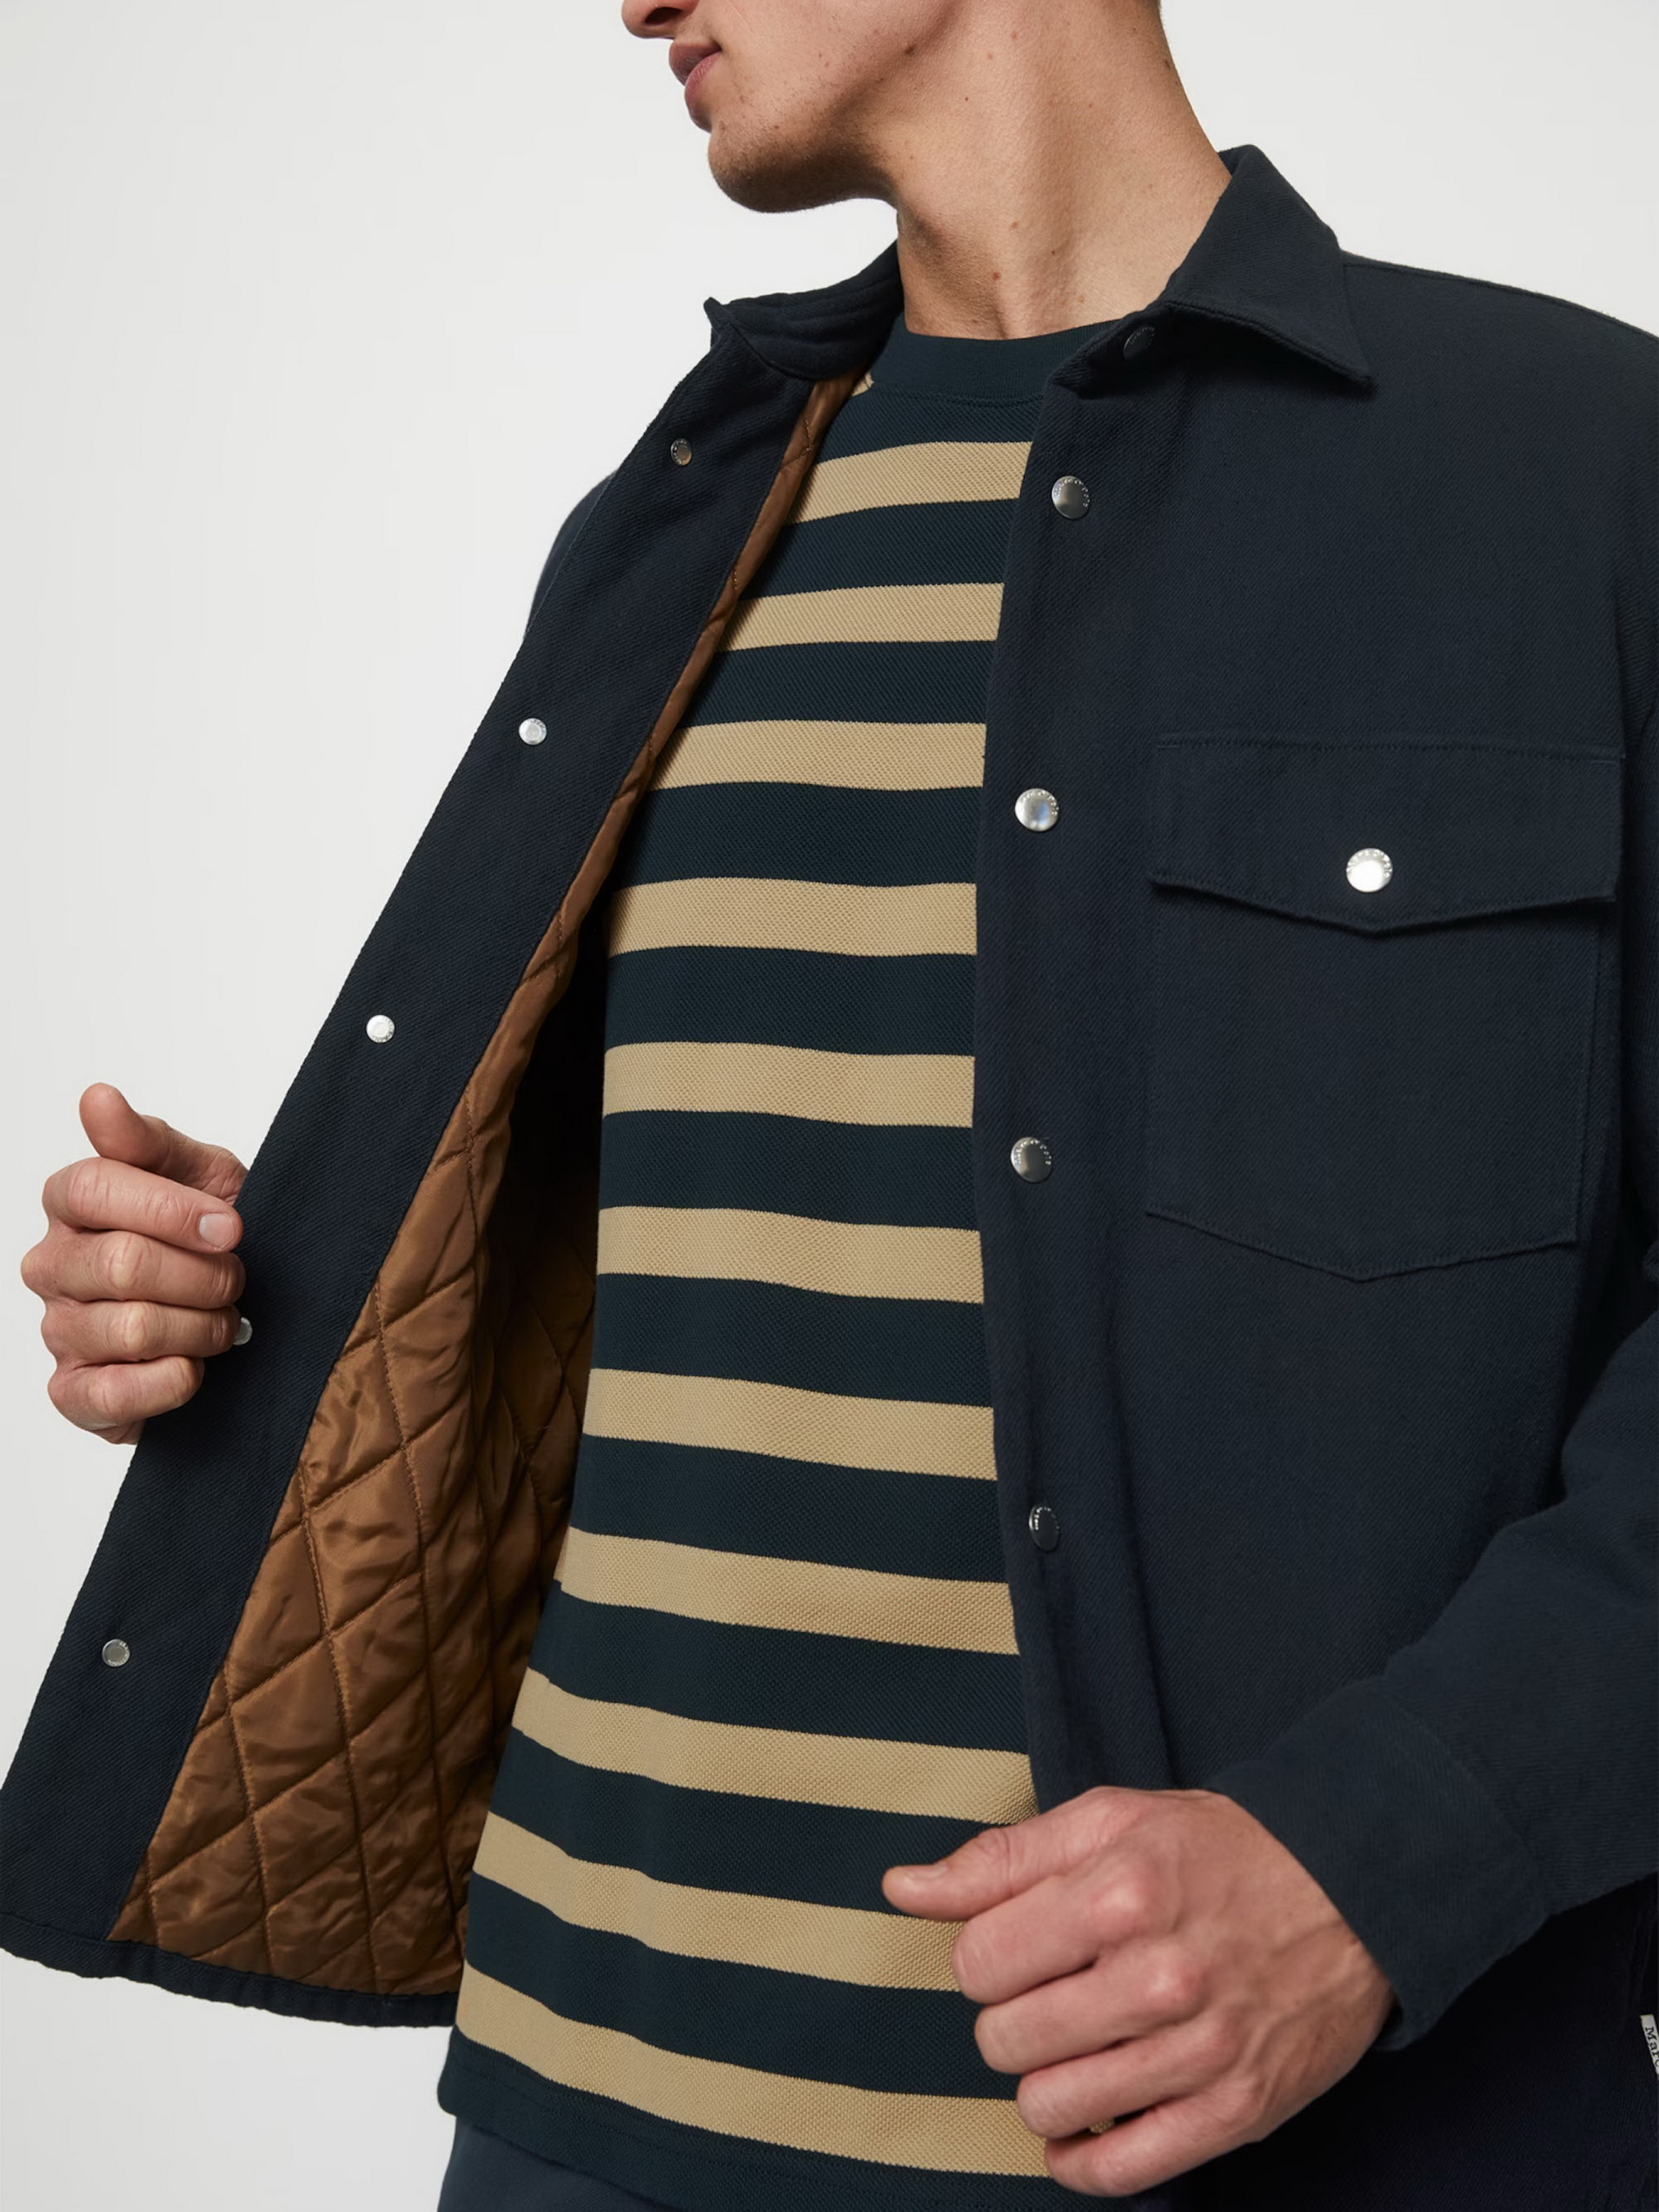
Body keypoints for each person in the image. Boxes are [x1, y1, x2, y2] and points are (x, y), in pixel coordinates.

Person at [7, 2, 1654, 2207]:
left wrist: (1389, 1852)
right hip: (570, 2117)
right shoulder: (681, 521)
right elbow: (667, 1259)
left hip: (1258, 2147)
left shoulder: (1579, 478)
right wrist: (249, 1294)